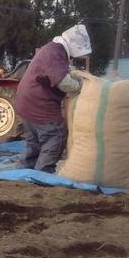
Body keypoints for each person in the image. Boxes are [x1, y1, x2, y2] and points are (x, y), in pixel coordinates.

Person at [14, 24, 91, 173]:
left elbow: (61, 70)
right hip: (38, 104)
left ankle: (22, 173)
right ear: (74, 45)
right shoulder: (55, 53)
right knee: (55, 136)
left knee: (34, 143)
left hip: (25, 102)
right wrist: (81, 86)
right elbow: (64, 82)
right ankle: (43, 173)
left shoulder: (52, 49)